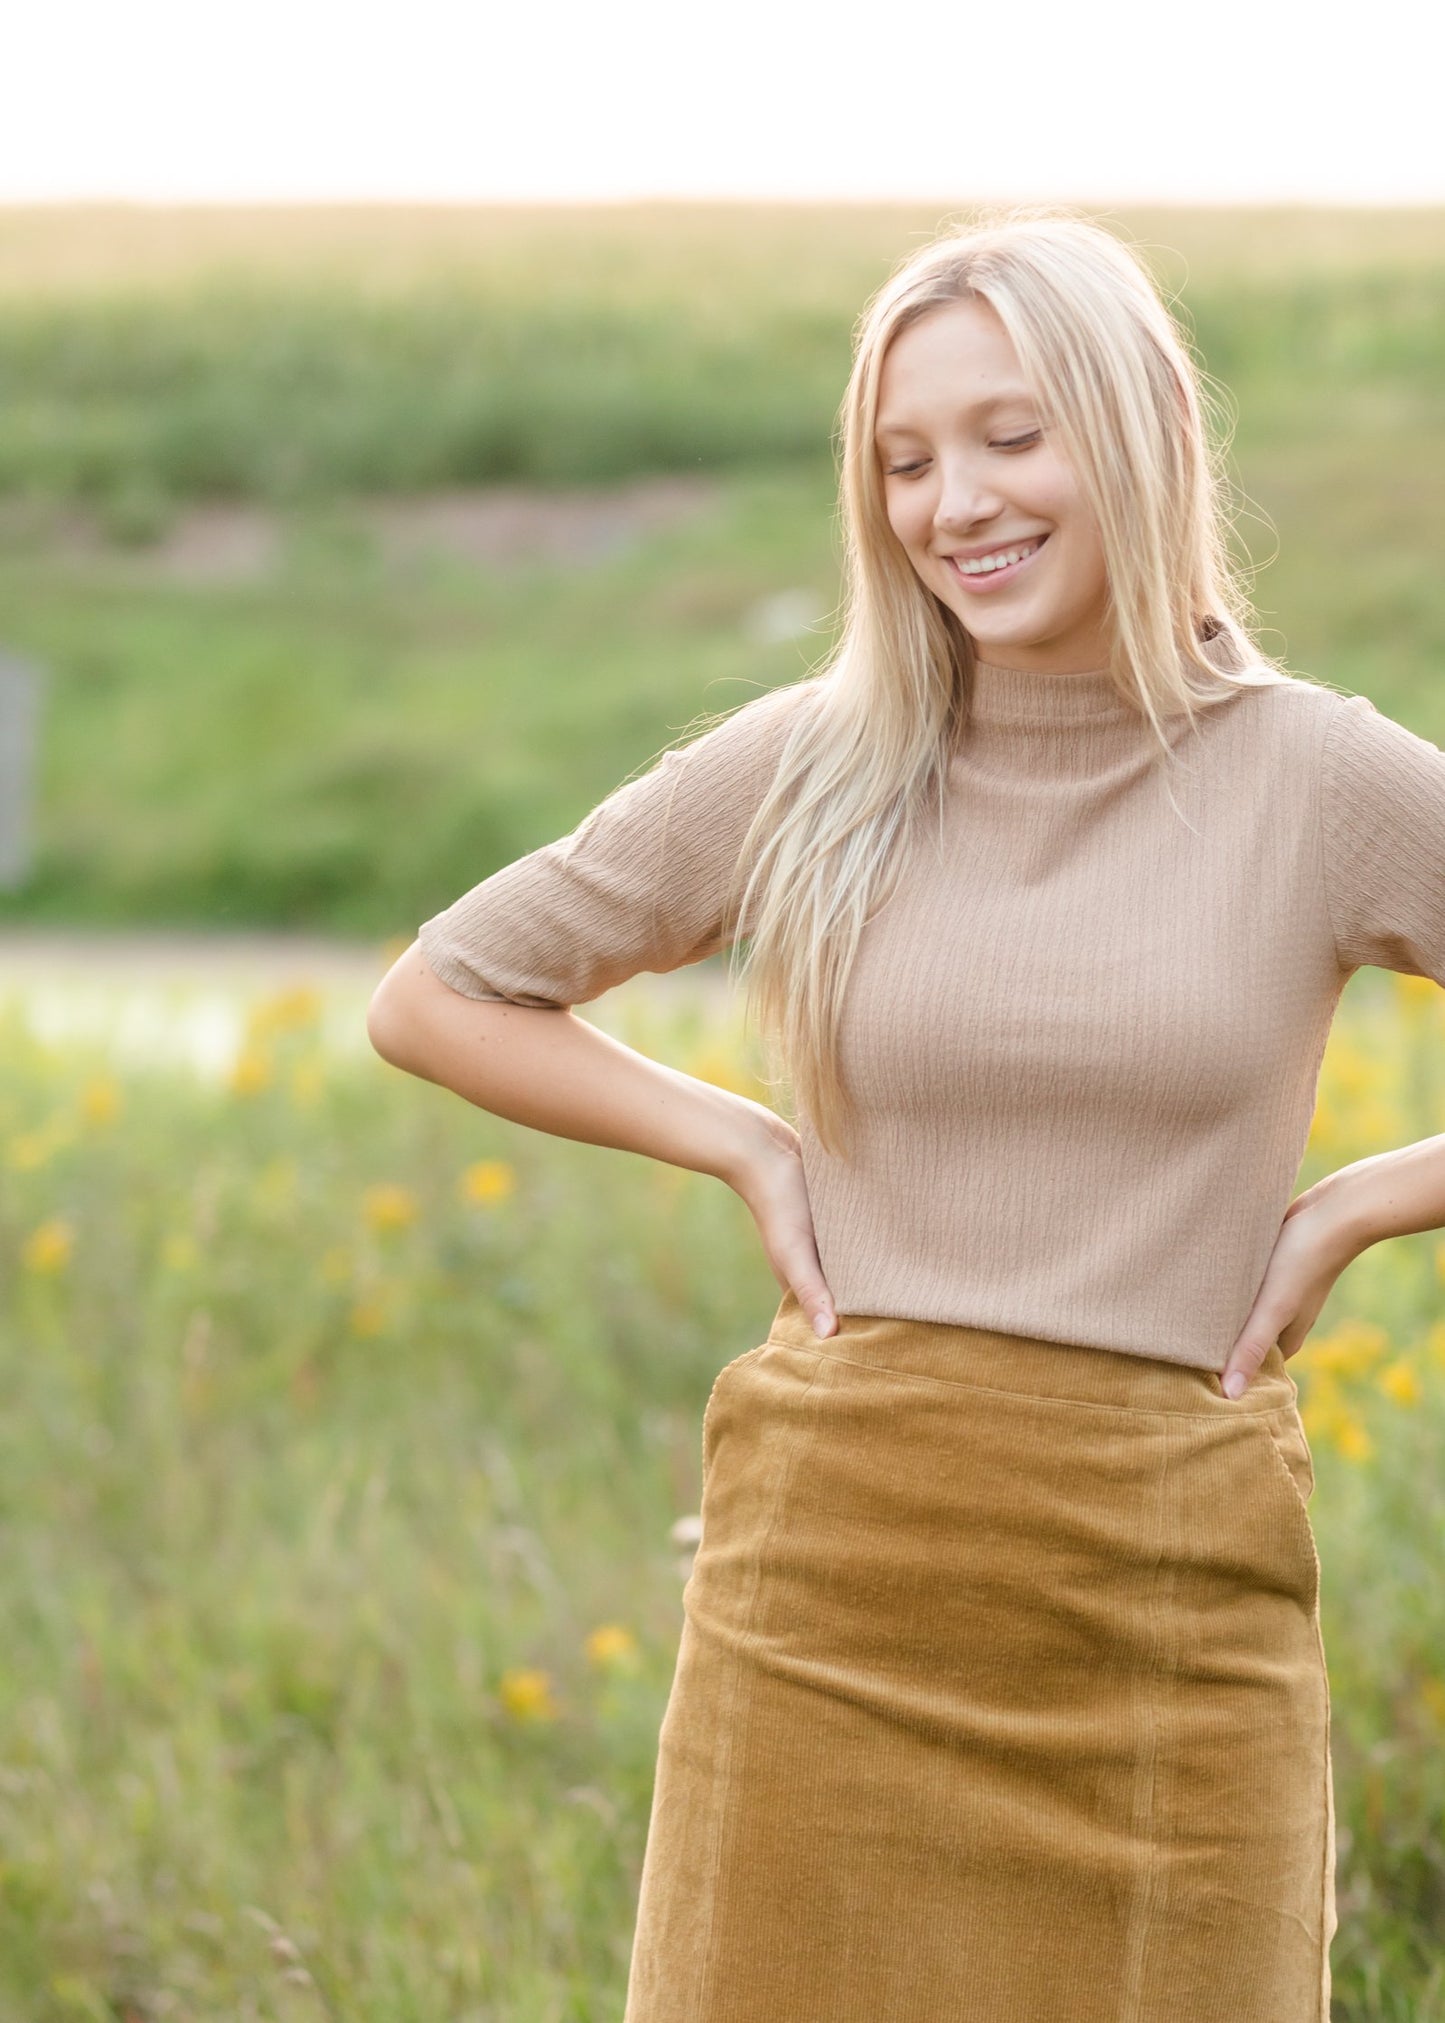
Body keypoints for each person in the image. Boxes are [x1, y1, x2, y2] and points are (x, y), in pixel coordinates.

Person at [366, 208, 1445, 2021]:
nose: (956, 502)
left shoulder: (1316, 776)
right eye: (905, 458)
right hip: (830, 1589)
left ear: (1144, 430)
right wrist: (739, 1138)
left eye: (1010, 436)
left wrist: (1357, 1203)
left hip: (1160, 1588)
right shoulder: (812, 760)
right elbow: (441, 994)